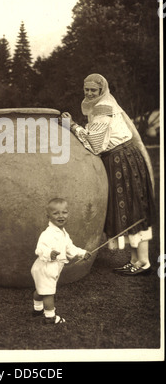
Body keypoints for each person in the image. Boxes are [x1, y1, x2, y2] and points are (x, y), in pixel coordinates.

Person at [61, 73, 156, 276]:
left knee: (133, 210)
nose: (89, 93)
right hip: (123, 158)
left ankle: (144, 262)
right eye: (86, 89)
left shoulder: (104, 107)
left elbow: (96, 144)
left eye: (93, 90)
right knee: (132, 210)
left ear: (102, 90)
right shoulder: (102, 104)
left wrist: (73, 126)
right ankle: (135, 260)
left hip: (122, 160)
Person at [31, 198, 90, 324]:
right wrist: (50, 253)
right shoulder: (47, 234)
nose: (61, 216)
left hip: (49, 268)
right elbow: (40, 249)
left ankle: (37, 309)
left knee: (41, 290)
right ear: (48, 216)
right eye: (56, 213)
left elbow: (69, 247)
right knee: (48, 293)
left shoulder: (62, 232)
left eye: (64, 212)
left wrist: (82, 253)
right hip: (46, 267)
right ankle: (50, 317)